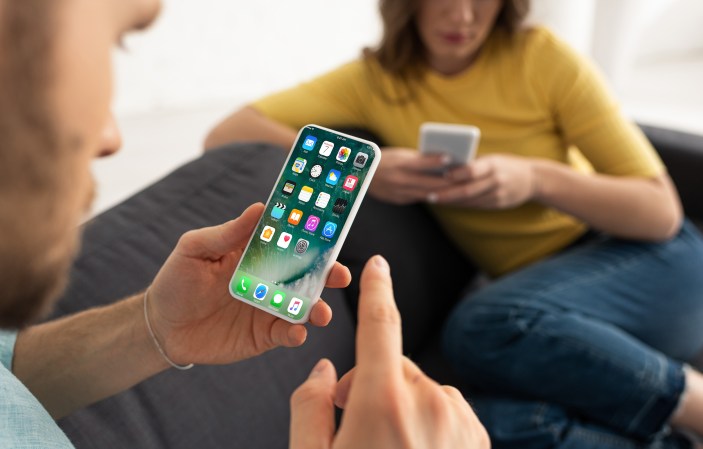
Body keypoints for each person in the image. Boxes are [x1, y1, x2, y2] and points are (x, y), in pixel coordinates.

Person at [204, 0, 703, 447]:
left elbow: (660, 213)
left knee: (480, 327)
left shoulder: (542, 57)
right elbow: (227, 133)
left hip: (649, 262)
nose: (462, 15)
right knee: (468, 417)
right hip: (545, 308)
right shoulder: (374, 82)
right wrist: (368, 172)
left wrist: (536, 179)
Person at [0, 0, 489, 448]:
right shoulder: (372, 77)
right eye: (118, 37)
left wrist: (155, 326)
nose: (111, 137)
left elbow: (11, 379)